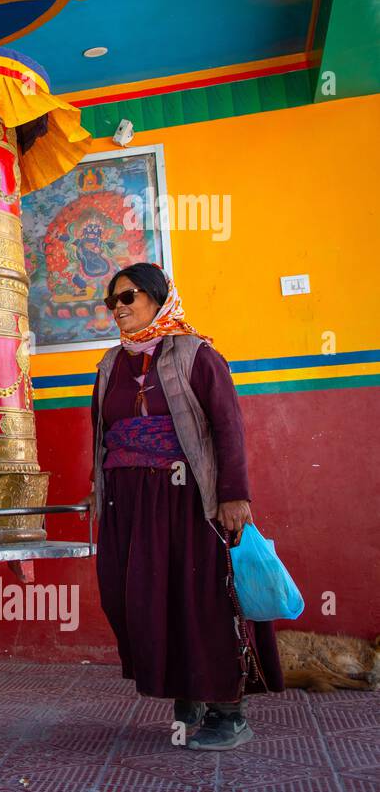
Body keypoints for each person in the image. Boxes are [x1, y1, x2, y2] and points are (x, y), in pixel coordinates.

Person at [83, 263, 283, 750]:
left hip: (189, 499)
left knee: (200, 599)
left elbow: (227, 428)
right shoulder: (111, 364)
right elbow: (101, 436)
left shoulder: (198, 355)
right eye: (112, 303)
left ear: (157, 297)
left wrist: (234, 495)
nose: (119, 310)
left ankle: (227, 710)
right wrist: (97, 491)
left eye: (127, 298)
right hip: (127, 503)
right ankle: (185, 687)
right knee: (139, 596)